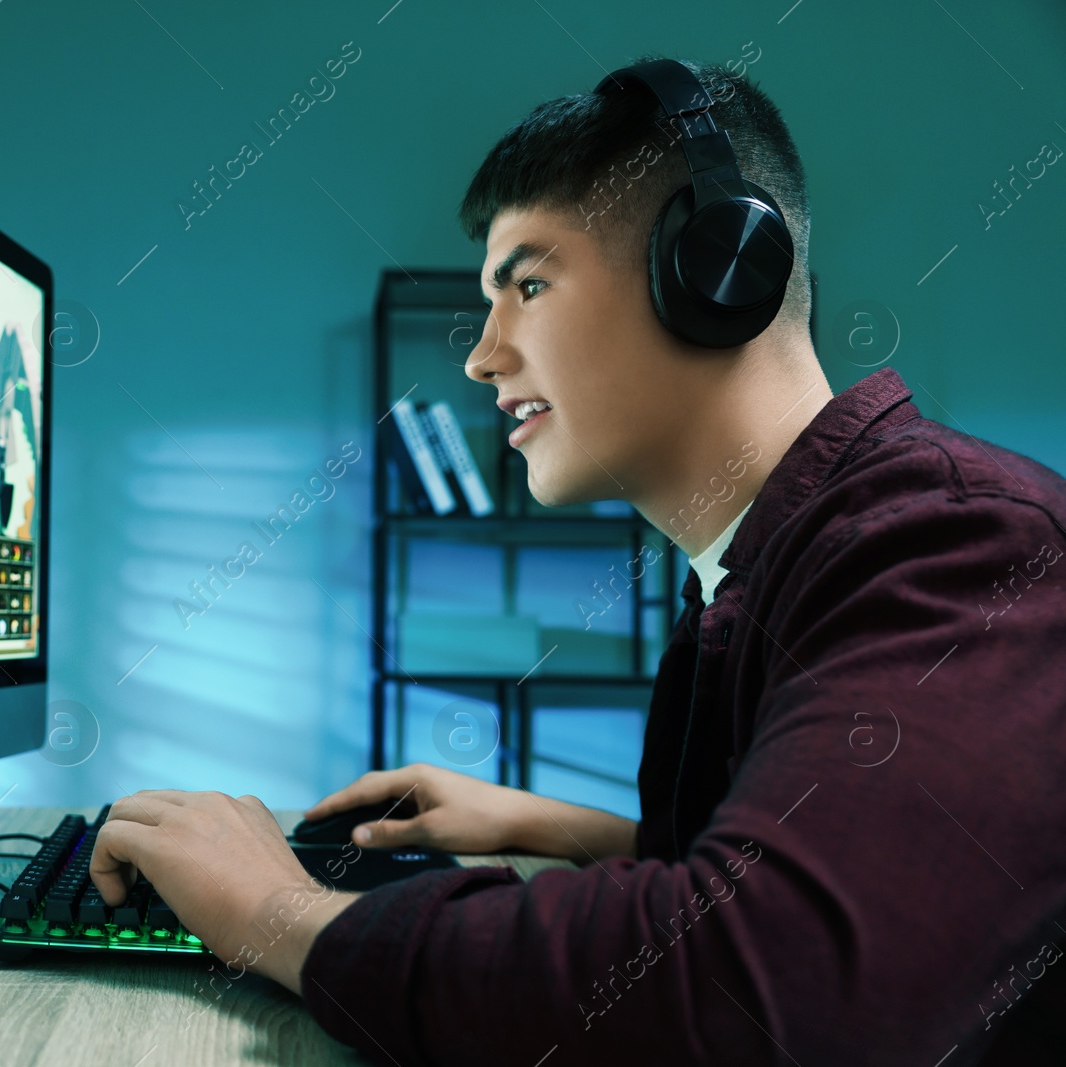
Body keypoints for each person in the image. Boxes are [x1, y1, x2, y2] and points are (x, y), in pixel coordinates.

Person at [88, 54, 1066, 1065]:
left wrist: (276, 909)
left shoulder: (961, 545)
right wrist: (559, 825)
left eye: (529, 284)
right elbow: (847, 878)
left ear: (714, 271)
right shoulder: (764, 568)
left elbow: (758, 990)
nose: (481, 354)